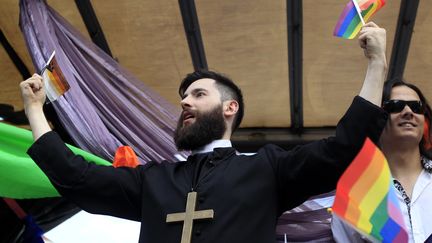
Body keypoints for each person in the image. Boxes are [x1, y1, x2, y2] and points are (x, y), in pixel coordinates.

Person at [21, 23, 387, 243]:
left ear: (230, 108)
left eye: (198, 94)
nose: (185, 103)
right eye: (183, 98)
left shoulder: (267, 170)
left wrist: (377, 65)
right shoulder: (154, 181)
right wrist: (36, 110)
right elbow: (77, 179)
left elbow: (343, 148)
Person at [331, 79, 432, 243]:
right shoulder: (353, 195)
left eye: (416, 107)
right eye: (395, 106)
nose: (408, 111)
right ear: (377, 118)